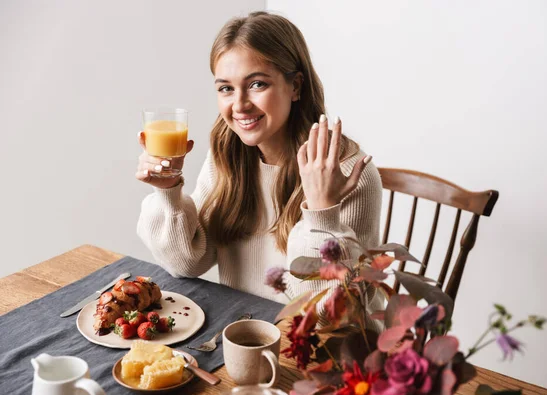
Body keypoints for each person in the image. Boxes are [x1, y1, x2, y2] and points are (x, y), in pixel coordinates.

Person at [135, 11, 383, 315]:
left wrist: (322, 213)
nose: (239, 105)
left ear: (295, 87)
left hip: (324, 353)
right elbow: (189, 263)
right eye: (226, 88)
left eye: (256, 84)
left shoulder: (346, 172)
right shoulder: (229, 154)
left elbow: (334, 317)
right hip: (245, 334)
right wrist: (169, 191)